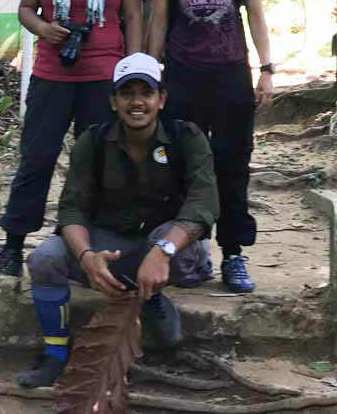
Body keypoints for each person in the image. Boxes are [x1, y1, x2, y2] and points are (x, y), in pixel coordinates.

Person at [17, 53, 219, 388]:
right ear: (114, 101)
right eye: (127, 93)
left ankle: (152, 293)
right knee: (44, 260)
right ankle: (55, 353)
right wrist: (86, 256)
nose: (137, 102)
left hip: (171, 248)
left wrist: (162, 251)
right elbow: (71, 210)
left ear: (161, 99)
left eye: (146, 92)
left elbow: (204, 203)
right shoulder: (92, 142)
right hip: (112, 245)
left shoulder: (187, 137)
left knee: (171, 246)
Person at [0, 0, 144, 277]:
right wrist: (45, 27)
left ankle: (90, 246)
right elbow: (26, 9)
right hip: (52, 74)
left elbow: (133, 17)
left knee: (99, 163)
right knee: (36, 158)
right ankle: (12, 245)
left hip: (102, 77)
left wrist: (135, 72)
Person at [147, 0, 273, 294]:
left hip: (231, 75)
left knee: (233, 165)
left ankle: (233, 254)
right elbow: (159, 20)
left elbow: (255, 14)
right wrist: (151, 73)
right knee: (181, 165)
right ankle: (189, 253)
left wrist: (267, 68)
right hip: (182, 76)